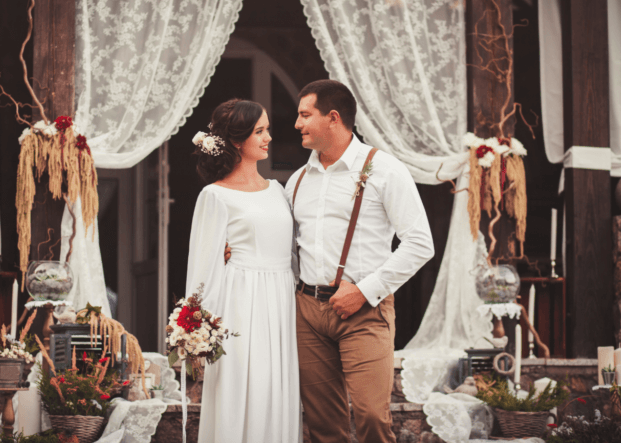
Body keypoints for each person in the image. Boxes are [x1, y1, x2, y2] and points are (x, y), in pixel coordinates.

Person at [286, 80, 435, 443]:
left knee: (371, 417)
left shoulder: (385, 170)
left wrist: (366, 291)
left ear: (333, 118)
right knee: (323, 426)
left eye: (305, 115)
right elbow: (286, 248)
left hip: (365, 312)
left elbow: (420, 244)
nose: (297, 124)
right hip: (307, 312)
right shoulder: (297, 181)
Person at [185, 99, 302, 443]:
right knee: (242, 391)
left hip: (281, 302)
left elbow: (293, 254)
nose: (268, 137)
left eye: (267, 129)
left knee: (276, 392)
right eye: (260, 131)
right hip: (240, 304)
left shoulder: (279, 192)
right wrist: (196, 328)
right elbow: (202, 266)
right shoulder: (215, 196)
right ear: (237, 141)